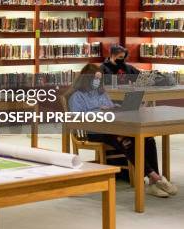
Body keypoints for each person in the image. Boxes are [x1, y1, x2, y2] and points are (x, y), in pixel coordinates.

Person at [68, 63, 177, 198]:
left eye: (99, 79)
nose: (97, 82)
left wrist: (117, 107)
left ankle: (153, 183)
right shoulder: (77, 96)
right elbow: (77, 118)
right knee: (126, 141)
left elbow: (110, 106)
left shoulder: (101, 93)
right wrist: (98, 111)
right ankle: (155, 177)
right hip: (94, 131)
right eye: (94, 79)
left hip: (112, 127)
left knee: (147, 139)